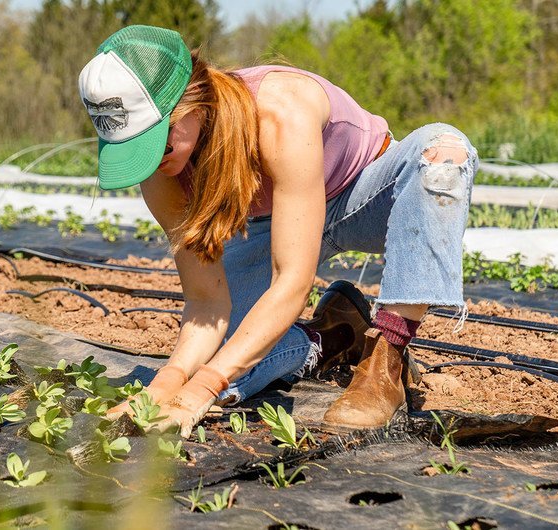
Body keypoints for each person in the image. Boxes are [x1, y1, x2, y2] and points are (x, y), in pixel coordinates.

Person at [78, 25, 478, 437]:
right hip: (275, 223)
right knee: (225, 362)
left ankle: (386, 358)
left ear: (191, 101)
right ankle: (330, 335)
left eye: (156, 142)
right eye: (134, 150)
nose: (153, 161)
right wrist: (167, 384)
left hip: (365, 197)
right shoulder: (162, 173)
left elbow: (292, 281)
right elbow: (206, 302)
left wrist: (203, 387)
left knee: (443, 153)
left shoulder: (278, 110)